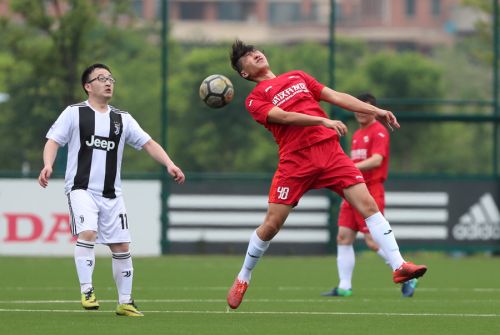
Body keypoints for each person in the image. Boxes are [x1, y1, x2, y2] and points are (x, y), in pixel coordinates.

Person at [226, 39, 427, 310]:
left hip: (330, 153)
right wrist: (322, 120)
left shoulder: (297, 76)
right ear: (244, 74)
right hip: (295, 162)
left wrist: (376, 111)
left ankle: (399, 266)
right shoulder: (255, 98)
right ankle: (243, 276)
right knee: (271, 225)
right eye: (248, 57)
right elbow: (283, 117)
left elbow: (336, 96)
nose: (255, 55)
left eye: (255, 51)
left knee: (368, 206)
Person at [38, 63, 185, 317]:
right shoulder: (74, 113)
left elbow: (148, 143)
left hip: (112, 194)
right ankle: (87, 291)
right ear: (88, 86)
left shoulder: (122, 119)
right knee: (88, 232)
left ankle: (125, 301)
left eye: (110, 78)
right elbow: (53, 141)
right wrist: (48, 165)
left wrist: (170, 164)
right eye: (101, 78)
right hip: (81, 189)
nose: (108, 82)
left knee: (121, 245)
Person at [320, 93, 417, 298]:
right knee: (343, 237)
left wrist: (348, 166)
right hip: (351, 188)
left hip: (370, 191)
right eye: (357, 108)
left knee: (372, 242)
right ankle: (344, 287)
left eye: (365, 108)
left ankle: (407, 273)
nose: (360, 111)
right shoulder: (356, 135)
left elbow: (376, 160)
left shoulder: (379, 132)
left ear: (372, 111)